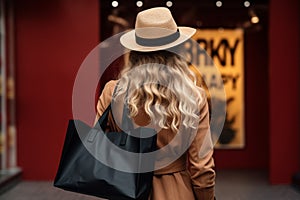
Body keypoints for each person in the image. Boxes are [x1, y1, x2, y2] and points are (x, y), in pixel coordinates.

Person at [95, 7, 215, 200]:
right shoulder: (194, 96)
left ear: (134, 52)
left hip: (128, 190)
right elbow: (202, 168)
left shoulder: (113, 92)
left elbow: (99, 148)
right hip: (177, 193)